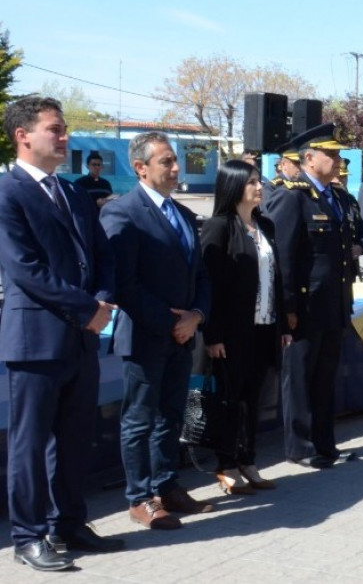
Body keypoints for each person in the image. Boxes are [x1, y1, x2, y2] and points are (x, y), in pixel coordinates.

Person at [0, 97, 121, 571]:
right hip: (36, 339)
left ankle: (68, 522)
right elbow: (25, 269)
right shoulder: (8, 193)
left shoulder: (71, 193)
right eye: (56, 129)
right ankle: (29, 536)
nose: (65, 136)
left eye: (65, 128)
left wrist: (103, 301)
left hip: (82, 335)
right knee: (30, 444)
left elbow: (102, 254)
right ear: (23, 136)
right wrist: (88, 308)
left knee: (75, 437)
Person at [101, 131, 213, 528]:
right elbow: (124, 284)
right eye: (166, 161)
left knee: (171, 415)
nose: (176, 168)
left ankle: (167, 485)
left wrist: (196, 315)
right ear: (140, 168)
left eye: (175, 160)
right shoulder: (122, 213)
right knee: (139, 419)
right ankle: (140, 497)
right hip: (146, 336)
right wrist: (172, 323)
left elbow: (201, 274)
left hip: (182, 336)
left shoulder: (182, 214)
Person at [262, 124, 357, 469]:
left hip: (332, 304)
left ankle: (325, 444)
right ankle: (300, 448)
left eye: (337, 154)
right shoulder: (292, 197)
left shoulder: (333, 197)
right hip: (305, 307)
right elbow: (284, 258)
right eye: (330, 154)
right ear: (309, 158)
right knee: (300, 379)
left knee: (325, 377)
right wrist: (287, 307)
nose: (337, 159)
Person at [199, 160, 290, 493]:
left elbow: (275, 278)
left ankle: (248, 459)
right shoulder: (219, 226)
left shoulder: (265, 225)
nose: (258, 187)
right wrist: (213, 335)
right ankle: (224, 464)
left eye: (258, 181)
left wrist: (282, 323)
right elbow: (211, 286)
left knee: (253, 398)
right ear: (234, 186)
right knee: (229, 399)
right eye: (251, 182)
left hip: (264, 326)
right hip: (231, 332)